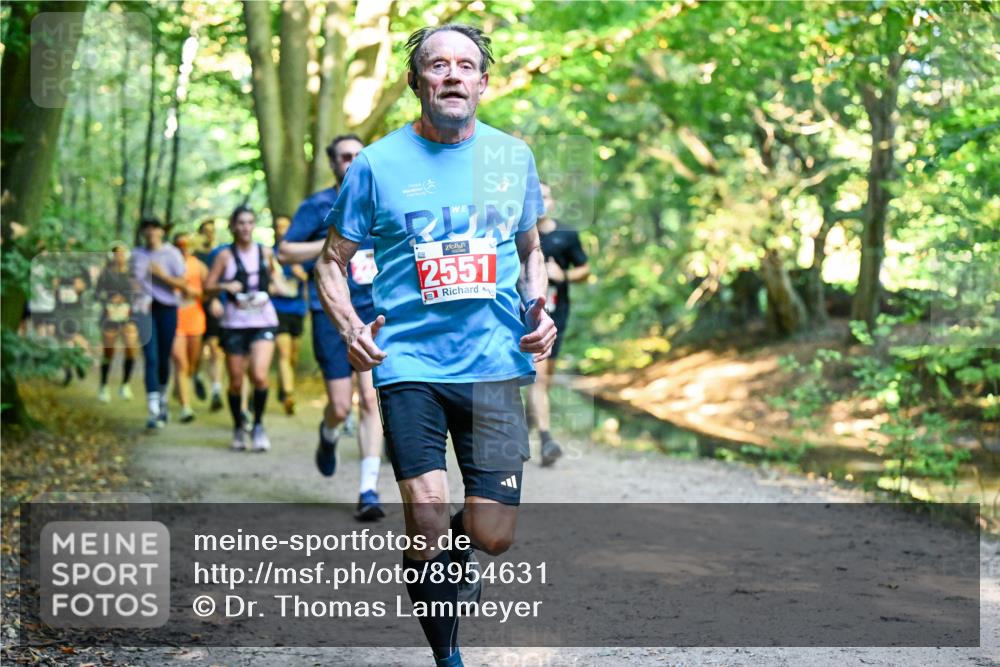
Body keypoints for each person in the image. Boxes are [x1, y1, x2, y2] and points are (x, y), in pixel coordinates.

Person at [313, 24, 555, 667]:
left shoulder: (514, 158)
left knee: (491, 536)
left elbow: (532, 253)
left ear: (482, 82)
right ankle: (447, 654)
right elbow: (331, 262)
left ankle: (451, 552)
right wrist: (349, 328)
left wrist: (541, 309)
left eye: (465, 64)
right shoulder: (375, 165)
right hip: (410, 365)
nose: (452, 73)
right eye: (437, 64)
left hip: (496, 367)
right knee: (426, 509)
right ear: (416, 81)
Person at [278, 134, 387, 522]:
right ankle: (328, 435)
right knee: (341, 407)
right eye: (345, 156)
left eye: (360, 156)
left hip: (375, 312)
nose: (353, 162)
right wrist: (333, 242)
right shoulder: (318, 205)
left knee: (371, 400)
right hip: (329, 312)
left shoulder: (383, 198)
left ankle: (368, 490)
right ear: (333, 163)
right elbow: (286, 250)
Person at [526, 183, 590, 466]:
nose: (541, 201)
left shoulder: (567, 234)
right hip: (526, 315)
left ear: (552, 202)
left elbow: (585, 269)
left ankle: (531, 421)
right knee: (538, 377)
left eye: (546, 196)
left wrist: (562, 275)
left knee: (544, 379)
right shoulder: (520, 234)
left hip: (557, 314)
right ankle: (546, 437)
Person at [205, 205, 278, 452]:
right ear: (233, 227)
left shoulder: (265, 252)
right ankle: (238, 426)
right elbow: (208, 286)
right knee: (236, 381)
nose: (245, 227)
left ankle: (258, 425)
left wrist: (274, 288)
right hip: (235, 323)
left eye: (249, 222)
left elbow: (277, 281)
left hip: (263, 320)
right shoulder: (225, 256)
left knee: (259, 375)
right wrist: (225, 287)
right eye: (240, 223)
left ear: (254, 225)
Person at [131, 217, 187, 430]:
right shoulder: (136, 255)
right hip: (144, 309)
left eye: (155, 228)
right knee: (150, 357)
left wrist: (161, 275)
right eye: (147, 228)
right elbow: (130, 281)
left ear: (162, 231)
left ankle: (162, 398)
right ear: (143, 232)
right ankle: (153, 408)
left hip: (167, 309)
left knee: (164, 358)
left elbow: (183, 283)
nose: (152, 232)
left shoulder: (172, 253)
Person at [270, 214, 308, 415]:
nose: (281, 229)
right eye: (278, 226)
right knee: (284, 354)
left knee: (292, 356)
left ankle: (281, 385)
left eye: (285, 226)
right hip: (278, 310)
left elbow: (308, 279)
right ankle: (289, 394)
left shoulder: (300, 252)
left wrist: (299, 272)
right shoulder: (270, 254)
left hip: (298, 310)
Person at [95, 242, 139, 402]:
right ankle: (104, 385)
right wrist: (109, 300)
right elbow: (97, 294)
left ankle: (125, 384)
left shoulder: (131, 274)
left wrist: (125, 299)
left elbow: (137, 293)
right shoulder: (105, 274)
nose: (119, 257)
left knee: (131, 348)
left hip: (128, 316)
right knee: (109, 351)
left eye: (122, 253)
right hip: (109, 316)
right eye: (116, 253)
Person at [172, 231, 208, 423]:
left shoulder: (198, 265)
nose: (184, 248)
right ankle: (186, 407)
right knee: (181, 362)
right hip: (175, 318)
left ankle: (181, 386)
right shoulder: (168, 263)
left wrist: (197, 294)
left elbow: (208, 291)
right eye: (180, 245)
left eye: (186, 244)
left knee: (192, 364)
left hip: (195, 318)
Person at [194, 219, 225, 411]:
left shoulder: (220, 254)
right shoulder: (194, 256)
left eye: (212, 231)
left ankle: (216, 389)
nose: (209, 234)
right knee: (196, 351)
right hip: (195, 308)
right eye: (205, 231)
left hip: (214, 307)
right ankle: (196, 375)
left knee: (214, 348)